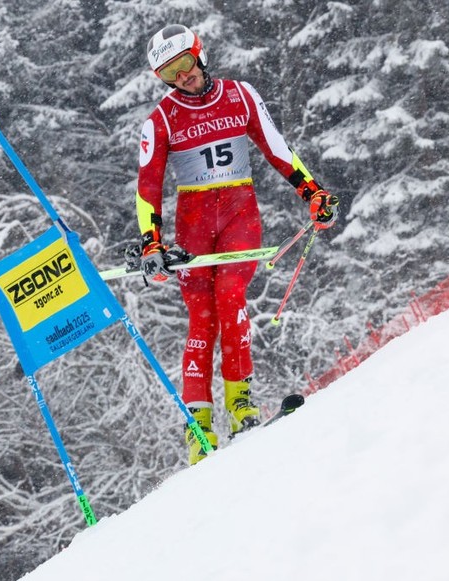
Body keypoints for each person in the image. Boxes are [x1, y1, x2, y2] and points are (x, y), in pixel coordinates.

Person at [135, 24, 338, 465]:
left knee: (230, 298)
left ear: (199, 56)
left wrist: (313, 192)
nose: (183, 78)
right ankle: (199, 428)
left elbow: (276, 148)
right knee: (201, 320)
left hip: (239, 216)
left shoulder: (240, 95)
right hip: (192, 224)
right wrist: (152, 244)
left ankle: (242, 406)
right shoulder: (161, 120)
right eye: (170, 74)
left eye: (186, 65)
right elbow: (148, 186)